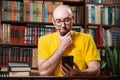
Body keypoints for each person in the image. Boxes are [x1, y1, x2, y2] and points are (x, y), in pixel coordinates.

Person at [37, 4, 101, 76]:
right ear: (53, 22)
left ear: (72, 19)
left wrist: (79, 73)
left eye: (66, 20)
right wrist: (62, 47)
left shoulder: (87, 39)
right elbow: (43, 72)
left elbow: (96, 70)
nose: (63, 25)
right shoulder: (43, 40)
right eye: (58, 21)